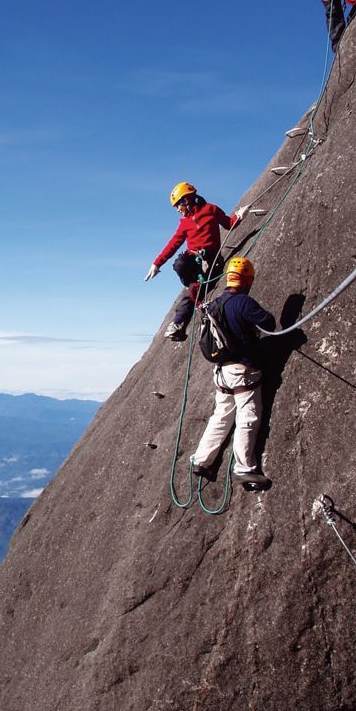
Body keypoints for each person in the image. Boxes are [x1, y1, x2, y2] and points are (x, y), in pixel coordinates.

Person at [190, 256, 275, 489]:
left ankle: (201, 460)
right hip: (242, 371)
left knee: (222, 415)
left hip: (221, 371)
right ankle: (244, 468)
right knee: (247, 416)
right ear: (247, 280)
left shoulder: (214, 304)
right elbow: (269, 323)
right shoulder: (244, 303)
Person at [144, 182, 250, 340]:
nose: (177, 210)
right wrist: (157, 263)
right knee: (180, 265)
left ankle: (179, 323)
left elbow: (228, 224)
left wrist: (239, 216)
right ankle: (190, 298)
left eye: (178, 205)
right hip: (194, 260)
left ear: (186, 200)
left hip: (211, 259)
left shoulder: (211, 210)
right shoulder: (184, 223)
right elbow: (173, 244)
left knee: (194, 289)